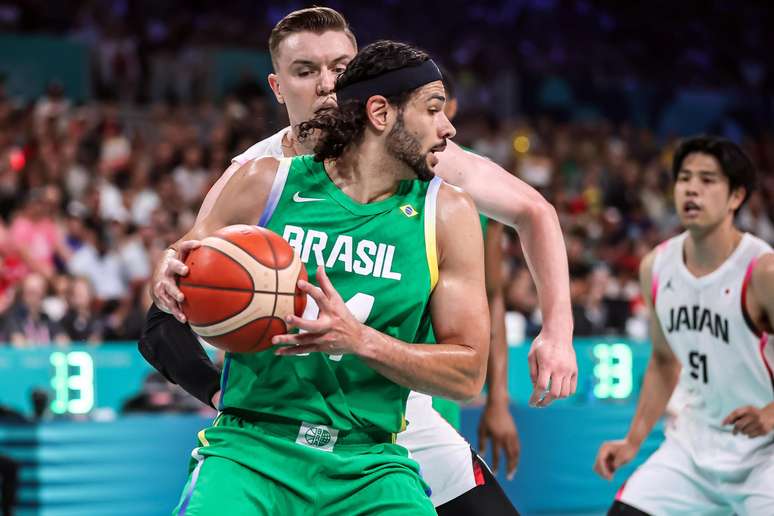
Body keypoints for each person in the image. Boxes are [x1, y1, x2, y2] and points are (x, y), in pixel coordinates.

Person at [141, 8, 572, 512]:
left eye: (340, 69)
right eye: (306, 71)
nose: (327, 85)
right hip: (270, 423)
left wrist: (557, 332)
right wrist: (171, 276)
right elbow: (172, 301)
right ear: (278, 87)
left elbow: (535, 212)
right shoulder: (261, 177)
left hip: (391, 415)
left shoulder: (433, 172)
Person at [167, 40, 490, 515]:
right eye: (433, 109)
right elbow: (185, 262)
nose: (448, 127)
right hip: (251, 450)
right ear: (381, 113)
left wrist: (361, 340)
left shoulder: (447, 213)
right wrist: (167, 270)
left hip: (370, 463)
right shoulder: (266, 182)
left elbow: (468, 375)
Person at [593, 136, 774, 515]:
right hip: (693, 452)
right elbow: (662, 362)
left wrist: (770, 413)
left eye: (708, 180)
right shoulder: (656, 267)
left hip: (766, 457)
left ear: (736, 197)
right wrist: (632, 441)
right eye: (685, 178)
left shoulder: (762, 271)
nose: (692, 188)